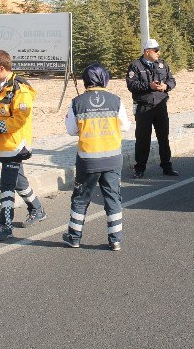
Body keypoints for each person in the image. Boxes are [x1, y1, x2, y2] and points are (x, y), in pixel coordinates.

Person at [62, 63, 131, 251]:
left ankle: (74, 237)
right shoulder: (116, 100)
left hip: (88, 159)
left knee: (80, 198)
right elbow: (125, 126)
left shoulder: (77, 102)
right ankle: (115, 239)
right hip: (112, 158)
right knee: (113, 198)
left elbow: (71, 130)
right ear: (105, 79)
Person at [0, 50, 47, 241]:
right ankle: (37, 208)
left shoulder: (20, 88)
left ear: (1, 68)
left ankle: (5, 227)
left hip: (16, 145)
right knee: (18, 180)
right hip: (3, 143)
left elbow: (19, 120)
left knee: (6, 185)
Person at [126, 38, 178, 178]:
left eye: (158, 50)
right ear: (147, 51)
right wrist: (149, 86)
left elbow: (172, 80)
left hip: (160, 106)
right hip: (144, 107)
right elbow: (132, 85)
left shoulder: (162, 64)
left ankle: (167, 166)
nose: (158, 53)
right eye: (156, 50)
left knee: (163, 138)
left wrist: (166, 86)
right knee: (143, 139)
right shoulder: (136, 66)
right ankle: (140, 168)